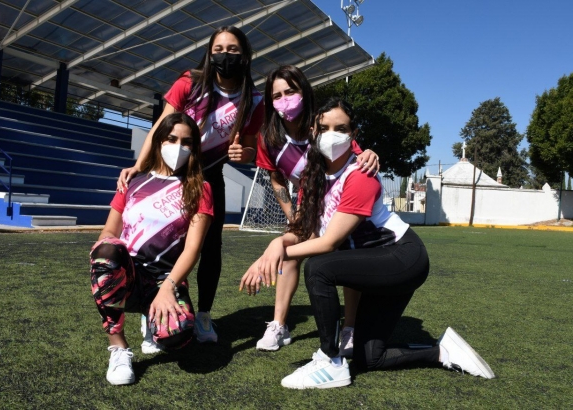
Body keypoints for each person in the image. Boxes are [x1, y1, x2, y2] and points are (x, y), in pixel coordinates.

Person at [242, 97, 495, 389]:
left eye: (340, 127)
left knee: (319, 267)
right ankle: (443, 351)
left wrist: (280, 251)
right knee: (369, 357)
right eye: (323, 127)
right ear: (312, 130)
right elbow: (306, 231)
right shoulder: (313, 178)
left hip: (404, 258)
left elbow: (329, 242)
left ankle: (330, 361)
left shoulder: (361, 175)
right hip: (380, 265)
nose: (330, 134)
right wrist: (278, 244)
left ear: (354, 135)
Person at [117, 26, 264, 346]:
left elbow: (250, 148)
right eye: (220, 48)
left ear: (245, 55)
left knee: (211, 249)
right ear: (210, 52)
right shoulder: (190, 82)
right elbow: (161, 127)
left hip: (210, 176)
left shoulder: (253, 99)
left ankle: (204, 315)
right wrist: (138, 167)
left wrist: (245, 153)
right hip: (171, 175)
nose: (226, 55)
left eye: (233, 49)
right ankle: (148, 305)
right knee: (157, 243)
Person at [243, 65, 379, 354]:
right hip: (308, 206)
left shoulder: (322, 125)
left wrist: (369, 153)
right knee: (291, 251)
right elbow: (276, 177)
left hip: (337, 205)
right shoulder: (268, 137)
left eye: (290, 91)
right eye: (277, 95)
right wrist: (293, 216)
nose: (285, 100)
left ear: (304, 92)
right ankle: (279, 325)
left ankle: (350, 327)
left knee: (347, 253)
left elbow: (355, 153)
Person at [91, 113, 213, 385]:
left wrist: (168, 287)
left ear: (193, 148)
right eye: (171, 139)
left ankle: (152, 319)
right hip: (131, 273)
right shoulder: (132, 182)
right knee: (105, 251)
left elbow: (192, 249)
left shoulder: (201, 188)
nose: (178, 147)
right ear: (159, 141)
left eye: (186, 142)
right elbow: (109, 232)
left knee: (177, 335)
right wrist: (108, 259)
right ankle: (119, 349)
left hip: (166, 278)